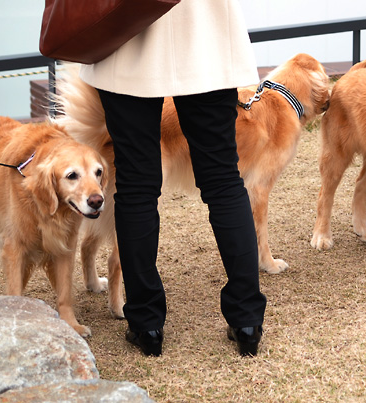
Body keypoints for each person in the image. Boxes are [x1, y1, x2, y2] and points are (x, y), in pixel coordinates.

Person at [79, 0, 267, 357]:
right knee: (224, 180)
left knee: (136, 184)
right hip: (206, 39)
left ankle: (147, 323)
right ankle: (246, 321)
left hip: (127, 37)